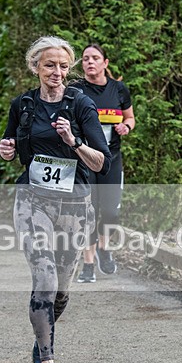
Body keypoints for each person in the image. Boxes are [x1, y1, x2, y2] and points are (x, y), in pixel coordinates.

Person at [0, 36, 111, 363]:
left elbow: (101, 162)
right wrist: (6, 149)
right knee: (44, 277)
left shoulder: (81, 105)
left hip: (76, 204)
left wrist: (73, 142)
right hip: (32, 200)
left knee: (62, 290)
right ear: (36, 67)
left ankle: (41, 334)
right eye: (50, 65)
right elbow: (9, 148)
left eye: (63, 66)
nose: (57, 72)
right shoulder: (24, 105)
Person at [71, 43, 135, 283]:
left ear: (105, 63)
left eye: (95, 58)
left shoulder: (118, 89)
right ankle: (87, 264)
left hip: (111, 160)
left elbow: (130, 117)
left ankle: (104, 248)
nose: (89, 62)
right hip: (84, 160)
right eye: (85, 58)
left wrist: (126, 126)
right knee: (87, 212)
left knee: (109, 212)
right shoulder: (76, 90)